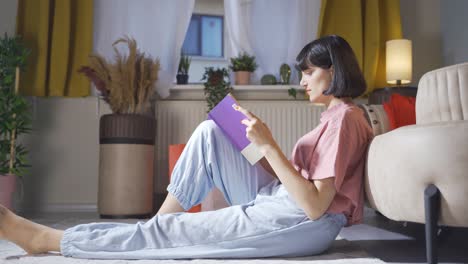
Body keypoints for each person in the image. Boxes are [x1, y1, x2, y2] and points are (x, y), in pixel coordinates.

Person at [0, 35, 373, 259]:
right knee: (213, 132)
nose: (304, 80)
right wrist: (254, 144)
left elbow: (313, 206)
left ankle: (47, 239)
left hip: (303, 221)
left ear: (334, 70)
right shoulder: (335, 117)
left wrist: (270, 145)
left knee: (181, 232)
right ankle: (156, 226)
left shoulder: (345, 119)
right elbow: (302, 185)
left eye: (309, 72)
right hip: (279, 198)